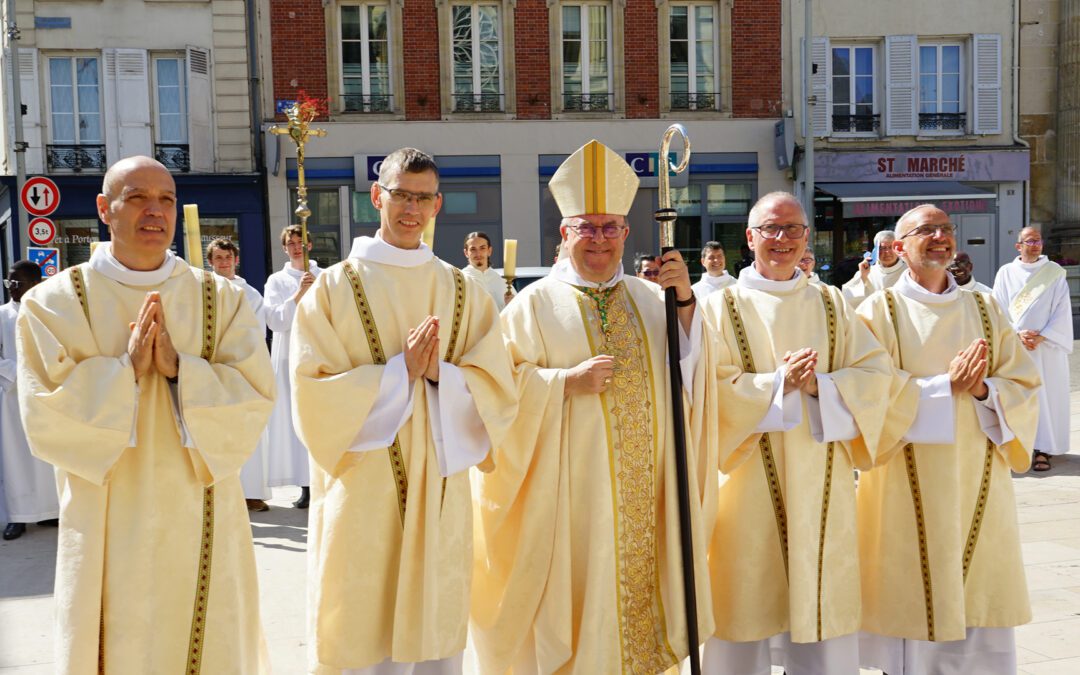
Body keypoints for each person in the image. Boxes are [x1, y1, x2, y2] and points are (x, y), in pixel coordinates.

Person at [16, 156, 275, 672]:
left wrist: (182, 370)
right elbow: (44, 413)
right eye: (136, 198)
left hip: (203, 510)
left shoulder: (221, 300)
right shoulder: (53, 304)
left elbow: (254, 396)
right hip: (107, 517)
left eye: (165, 200)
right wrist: (125, 370)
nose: (153, 212)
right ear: (103, 209)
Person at [471, 139, 713, 673]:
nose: (599, 240)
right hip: (567, 506)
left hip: (646, 498)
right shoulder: (532, 305)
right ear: (565, 233)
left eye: (610, 228)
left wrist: (688, 307)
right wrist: (561, 383)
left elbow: (695, 382)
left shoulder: (653, 301)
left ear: (627, 233)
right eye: (587, 228)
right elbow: (495, 393)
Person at [290, 147, 517, 674]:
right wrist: (399, 374)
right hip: (363, 489)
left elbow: (499, 389)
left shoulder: (463, 290)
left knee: (433, 627)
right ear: (377, 197)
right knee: (361, 622)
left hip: (439, 486)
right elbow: (310, 391)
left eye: (422, 198)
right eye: (400, 195)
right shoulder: (333, 287)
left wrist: (441, 373)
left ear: (437, 205)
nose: (410, 209)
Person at [700, 192, 901, 675]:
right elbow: (706, 394)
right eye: (770, 229)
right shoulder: (716, 307)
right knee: (744, 609)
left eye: (792, 229)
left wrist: (818, 385)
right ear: (749, 238)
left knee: (821, 613)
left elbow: (877, 377)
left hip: (822, 484)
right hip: (745, 489)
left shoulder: (832, 302)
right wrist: (776, 385)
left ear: (807, 237)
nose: (782, 239)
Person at [856, 204, 1040, 675]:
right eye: (926, 230)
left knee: (978, 595)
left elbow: (1022, 384)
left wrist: (981, 389)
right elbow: (868, 394)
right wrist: (944, 389)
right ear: (899, 248)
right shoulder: (880, 310)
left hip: (978, 472)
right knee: (915, 591)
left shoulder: (984, 306)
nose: (940, 237)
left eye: (946, 229)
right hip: (905, 477)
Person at [992, 226, 1072, 471]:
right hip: (1016, 347)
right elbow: (998, 308)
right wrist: (1016, 334)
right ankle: (1019, 445)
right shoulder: (1006, 273)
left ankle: (1044, 450)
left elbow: (1062, 309)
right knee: (1018, 398)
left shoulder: (1054, 273)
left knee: (1046, 398)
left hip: (1047, 348)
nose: (1036, 245)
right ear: (1019, 246)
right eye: (1030, 241)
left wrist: (1043, 336)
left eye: (1038, 241)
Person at [208, 238, 272, 511]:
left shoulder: (251, 295)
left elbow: (255, 332)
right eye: (218, 258)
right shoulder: (203, 290)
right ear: (210, 262)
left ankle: (251, 492)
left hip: (242, 368)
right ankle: (218, 491)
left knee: (248, 428)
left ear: (236, 260)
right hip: (210, 369)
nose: (223, 262)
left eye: (227, 257)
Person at [0, 261, 59, 540]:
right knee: (16, 457)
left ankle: (48, 511)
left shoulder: (48, 313)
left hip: (43, 394)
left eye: (18, 282)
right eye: (9, 282)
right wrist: (16, 374)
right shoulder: (1, 315)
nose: (12, 288)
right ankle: (18, 516)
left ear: (35, 284)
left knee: (45, 454)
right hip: (11, 395)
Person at [264, 225, 319, 508]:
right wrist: (297, 295)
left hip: (320, 351)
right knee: (295, 417)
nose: (297, 247)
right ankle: (305, 484)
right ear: (284, 248)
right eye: (291, 243)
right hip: (289, 353)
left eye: (301, 242)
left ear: (310, 245)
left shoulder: (324, 276)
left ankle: (322, 478)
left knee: (319, 416)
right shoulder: (276, 281)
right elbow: (274, 321)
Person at [842, 230, 906, 307]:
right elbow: (849, 299)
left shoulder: (909, 271)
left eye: (890, 247)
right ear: (875, 250)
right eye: (882, 248)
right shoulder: (867, 272)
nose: (887, 252)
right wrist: (862, 277)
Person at [462, 231, 514, 310]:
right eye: (473, 249)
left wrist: (510, 305)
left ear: (489, 251)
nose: (478, 253)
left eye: (482, 248)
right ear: (466, 253)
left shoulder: (501, 281)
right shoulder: (460, 279)